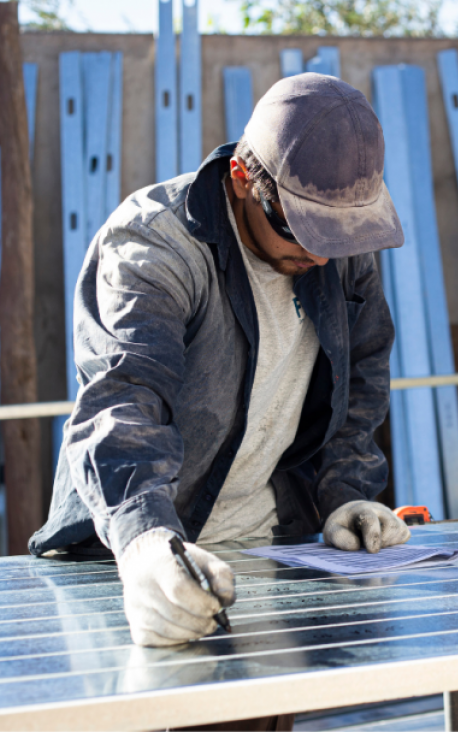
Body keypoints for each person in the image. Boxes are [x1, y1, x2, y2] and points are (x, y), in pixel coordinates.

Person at [29, 73, 412, 648]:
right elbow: (123, 403)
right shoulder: (154, 245)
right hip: (137, 561)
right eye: (300, 227)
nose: (318, 252)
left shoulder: (335, 248)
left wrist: (347, 492)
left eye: (335, 235)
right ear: (241, 179)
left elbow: (362, 376)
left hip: (269, 545)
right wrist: (145, 545)